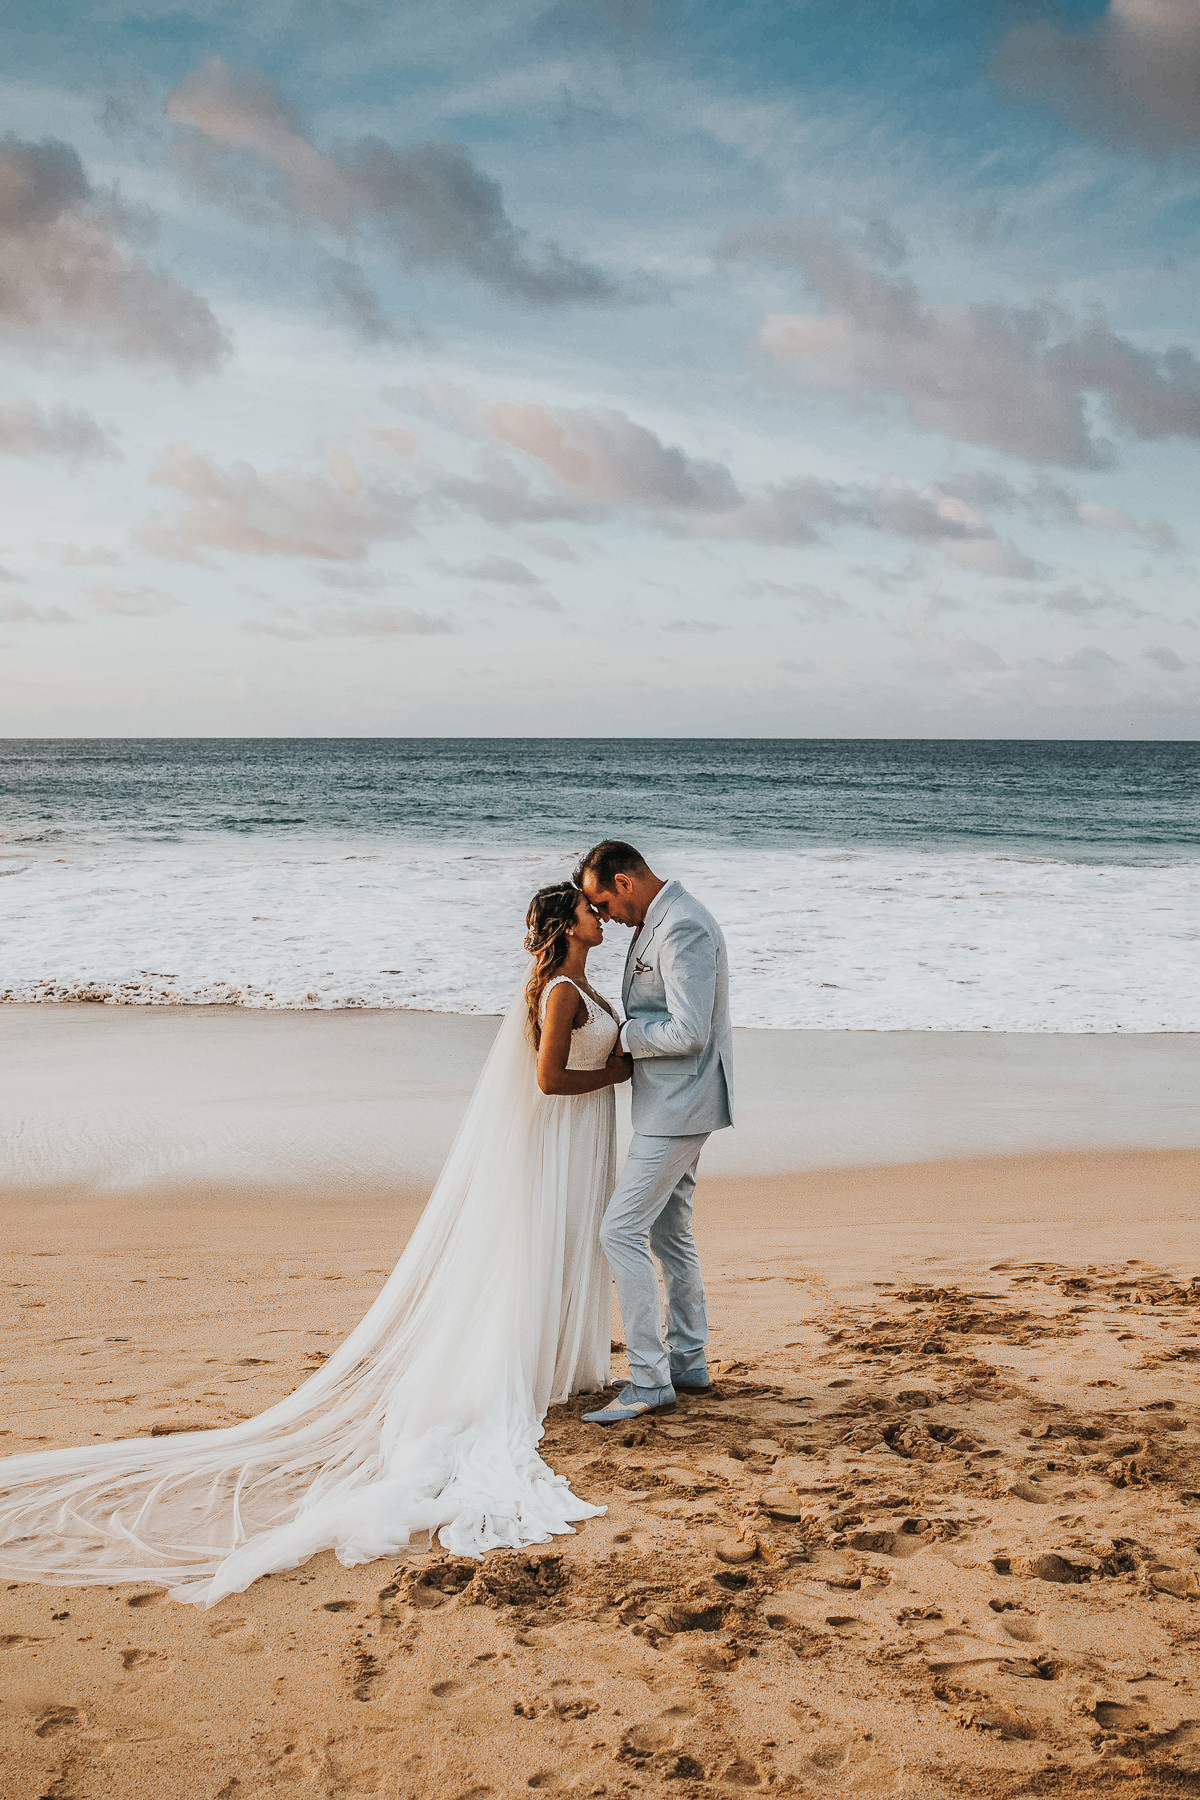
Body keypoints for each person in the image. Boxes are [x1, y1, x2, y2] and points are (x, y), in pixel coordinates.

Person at [0, 884, 630, 1607]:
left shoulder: (582, 982)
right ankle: (523, 1375)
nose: (600, 915)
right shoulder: (558, 992)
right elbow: (551, 1079)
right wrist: (621, 1071)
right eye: (589, 910)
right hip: (561, 1139)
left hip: (581, 1140)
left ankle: (552, 1368)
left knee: (565, 1251)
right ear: (566, 925)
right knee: (540, 1253)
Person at [574, 842, 733, 1424]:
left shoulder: (683, 926)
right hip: (672, 1102)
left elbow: (690, 1031)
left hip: (680, 1105)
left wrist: (625, 1038)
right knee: (671, 1234)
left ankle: (648, 1380)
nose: (606, 917)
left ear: (625, 881)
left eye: (603, 902)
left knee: (619, 1232)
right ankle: (687, 1363)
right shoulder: (661, 917)